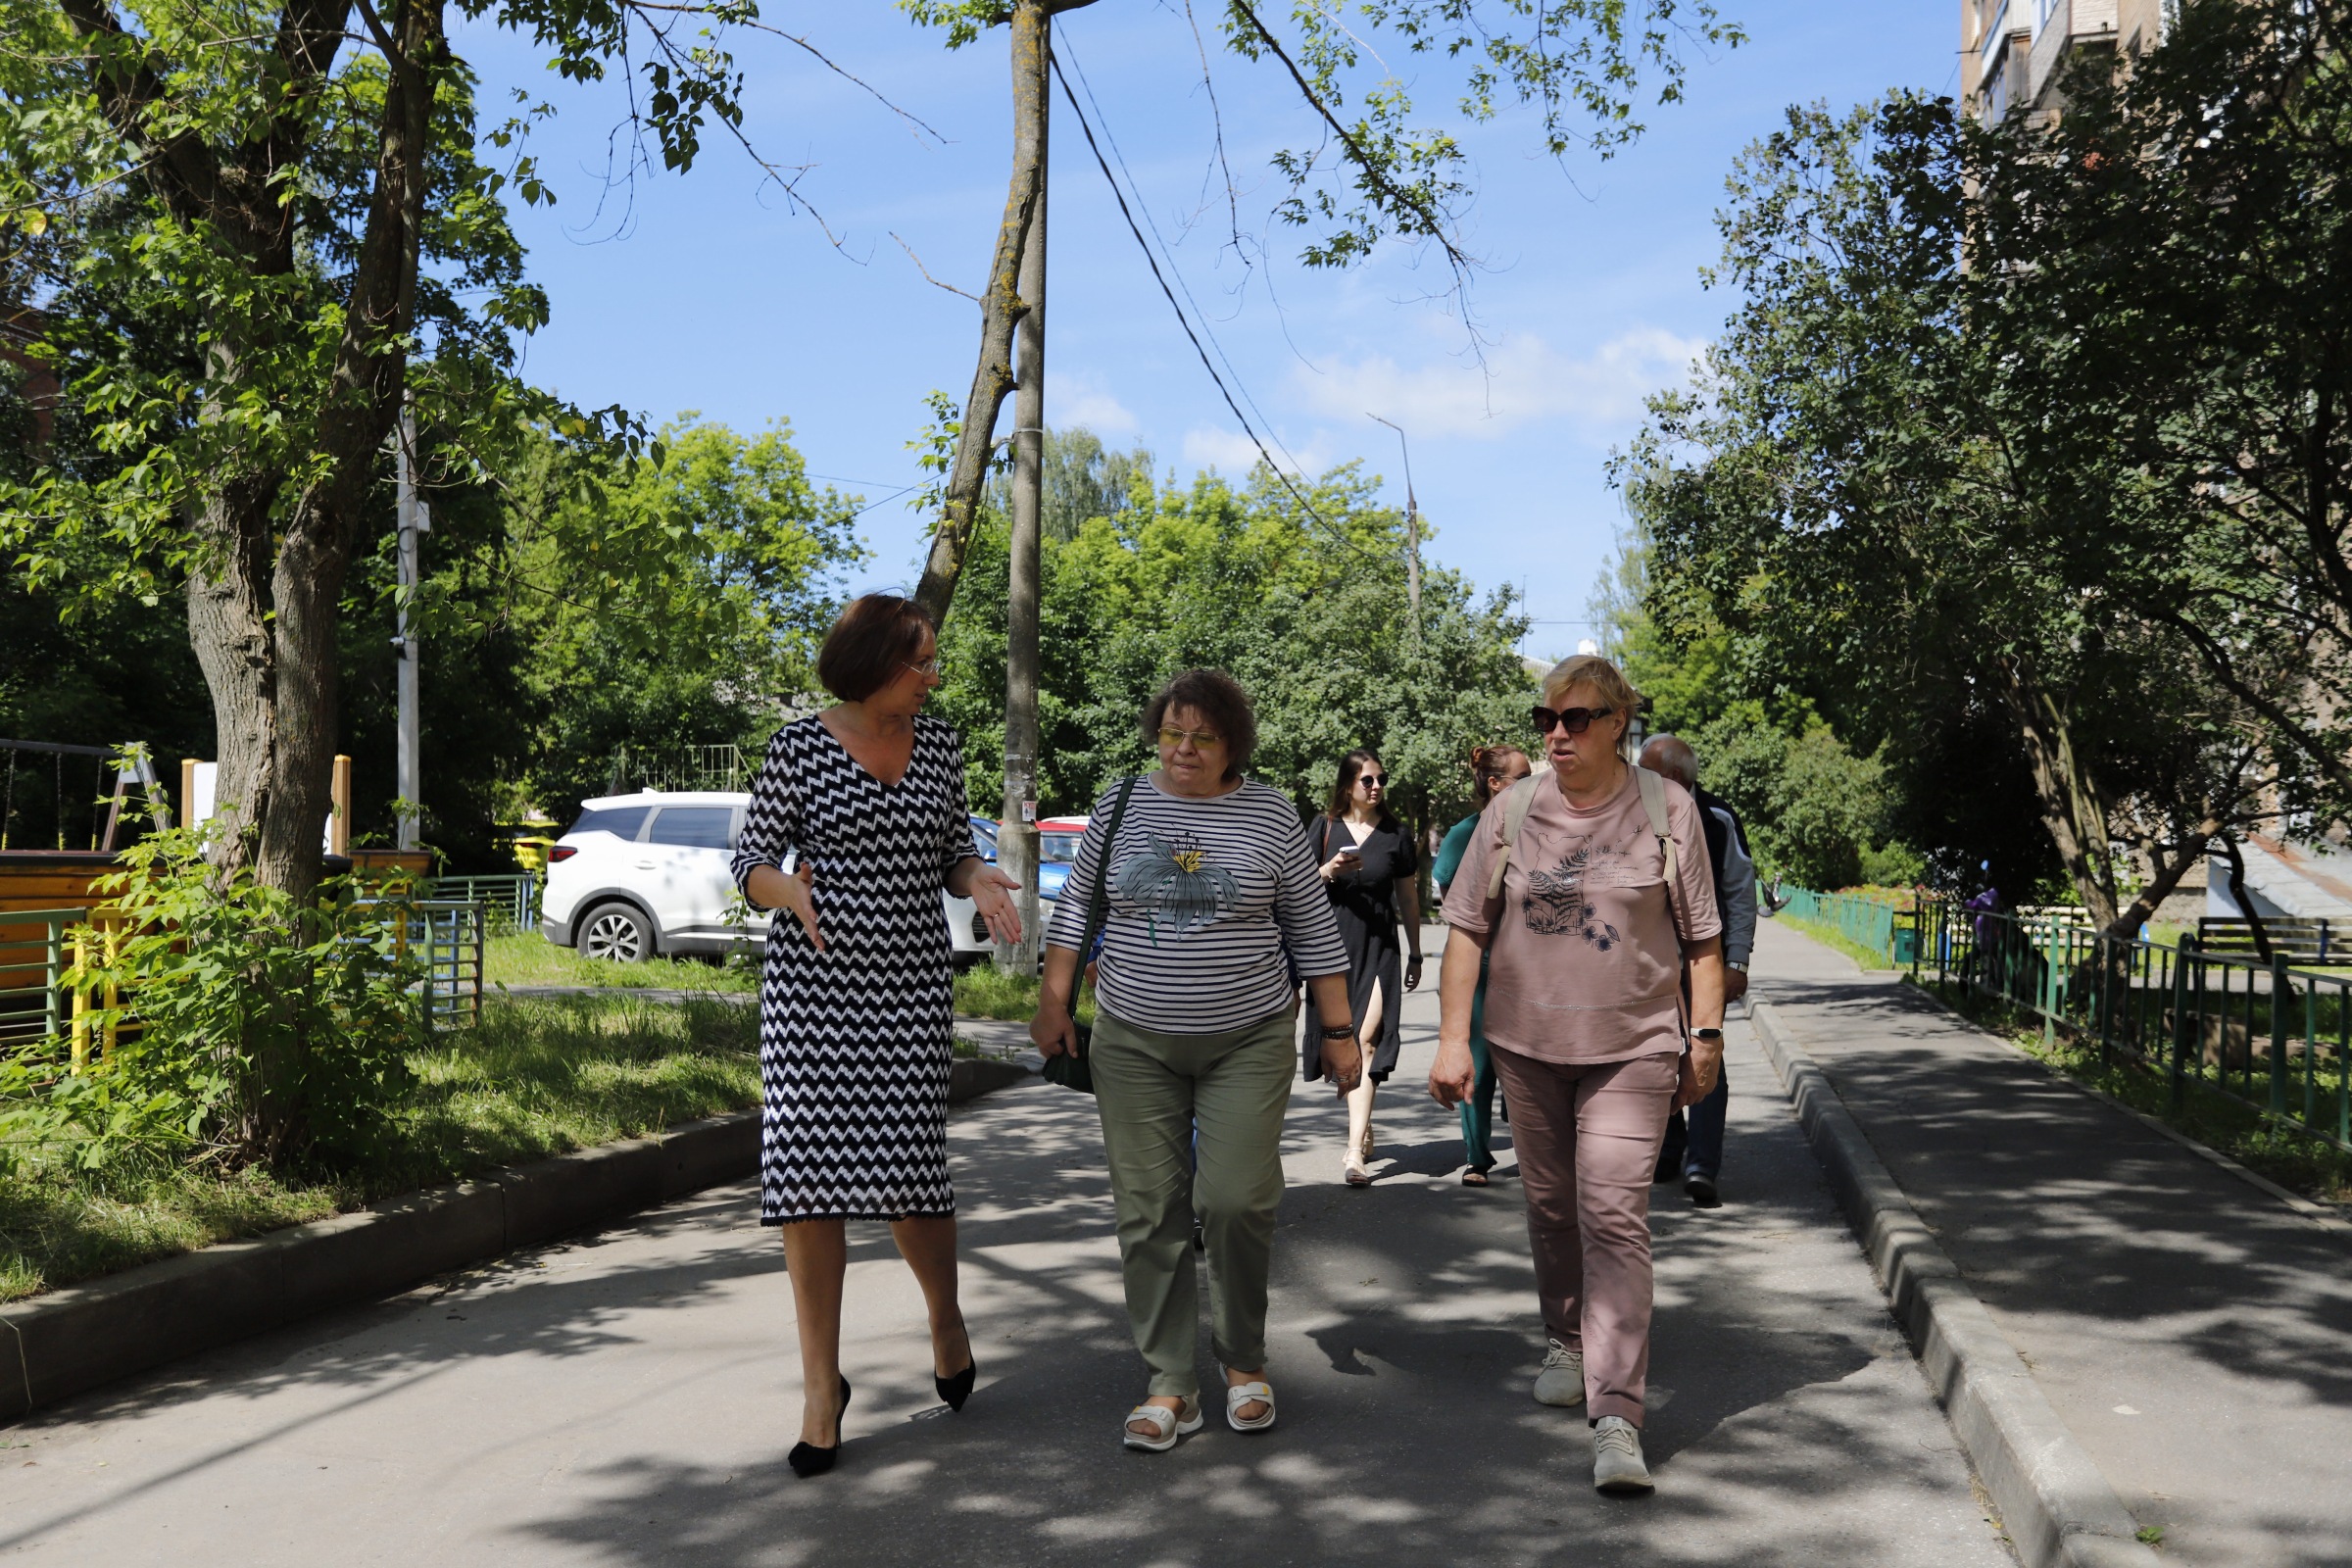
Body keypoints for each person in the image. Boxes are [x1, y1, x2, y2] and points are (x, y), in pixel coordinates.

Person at [730, 593, 1024, 1481]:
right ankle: (821, 1387)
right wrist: (789, 891)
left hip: (906, 990)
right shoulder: (797, 746)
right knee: (807, 1184)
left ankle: (945, 1316)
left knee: (910, 1175)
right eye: (921, 662)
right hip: (813, 994)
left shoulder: (935, 743)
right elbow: (750, 864)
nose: (933, 676)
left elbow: (948, 850)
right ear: (871, 666)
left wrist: (975, 877)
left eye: (933, 662)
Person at [1031, 669, 1363, 1452]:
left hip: (1246, 1038)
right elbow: (1080, 906)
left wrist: (1340, 1029)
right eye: (1172, 733)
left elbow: (1312, 929)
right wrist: (1053, 1000)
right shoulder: (1119, 804)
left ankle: (1243, 1362)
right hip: (1133, 1038)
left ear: (1233, 745)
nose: (1184, 749)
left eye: (1203, 737)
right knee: (1148, 1212)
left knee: (1234, 1200)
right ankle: (1170, 1383)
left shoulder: (1271, 813)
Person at [1430, 654, 1725, 1495]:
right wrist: (1455, 1041)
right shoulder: (1511, 811)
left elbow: (1702, 938)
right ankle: (1565, 1335)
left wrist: (1704, 1038)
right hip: (1524, 1044)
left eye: (1577, 719)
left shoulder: (1670, 810)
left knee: (1613, 1213)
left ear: (1619, 722)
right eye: (1547, 719)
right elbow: (1466, 931)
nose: (1558, 734)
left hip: (1633, 1047)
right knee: (1552, 1204)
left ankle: (1619, 1417)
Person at [1640, 734, 1757, 1208]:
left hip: (1703, 962)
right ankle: (1668, 1151)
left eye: (1647, 771)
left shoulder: (1717, 818)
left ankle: (1702, 1164)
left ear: (1674, 778)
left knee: (1706, 1054)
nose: (1636, 779)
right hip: (1647, 962)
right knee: (1655, 1054)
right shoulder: (1631, 813)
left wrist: (1737, 961)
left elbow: (1739, 891)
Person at [1301, 749, 1424, 1186]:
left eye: (1381, 779)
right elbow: (1297, 885)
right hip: (1330, 948)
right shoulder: (1324, 827)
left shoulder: (1396, 834)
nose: (1376, 787)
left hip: (1379, 946)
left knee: (1366, 1039)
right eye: (1367, 780)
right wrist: (1329, 869)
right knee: (1343, 1041)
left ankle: (1354, 1152)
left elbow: (1408, 898)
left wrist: (1415, 951)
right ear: (1348, 785)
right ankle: (1362, 1119)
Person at [1431, 744, 1535, 1186]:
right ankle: (1477, 1156)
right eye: (1524, 777)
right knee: (1478, 1060)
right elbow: (1448, 886)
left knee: (1530, 1065)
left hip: (1531, 969)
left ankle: (1535, 1152)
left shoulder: (1542, 831)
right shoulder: (1465, 832)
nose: (1535, 785)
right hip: (1481, 968)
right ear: (1496, 784)